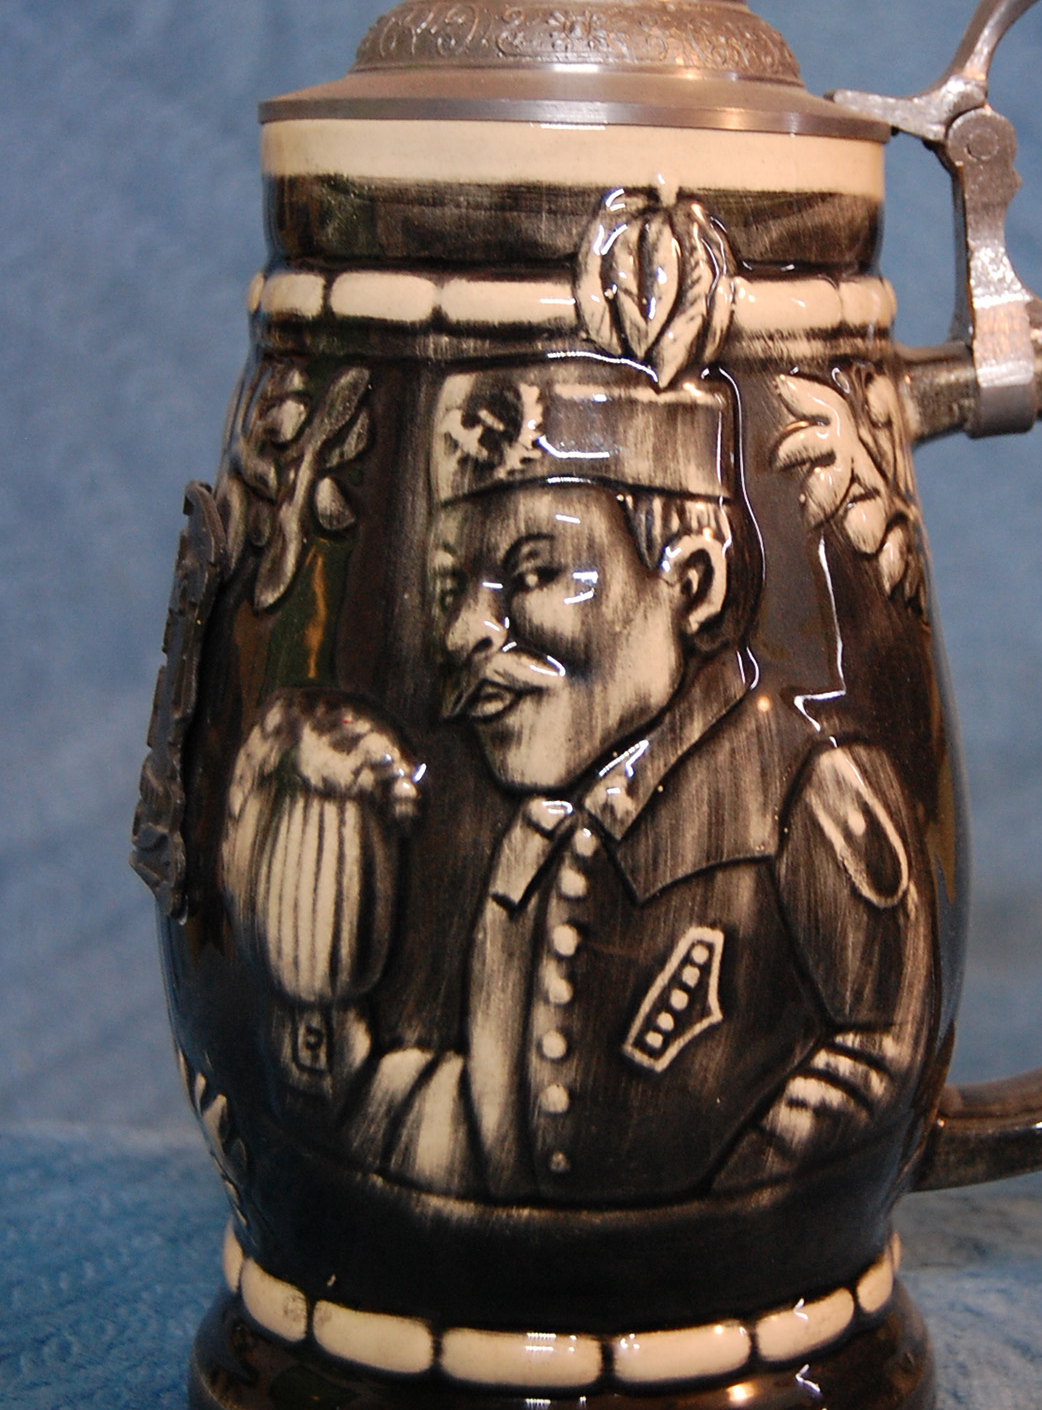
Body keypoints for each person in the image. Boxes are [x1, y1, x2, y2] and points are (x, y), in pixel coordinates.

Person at [227, 357, 940, 1207]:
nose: (462, 632)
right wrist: (321, 1031)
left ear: (693, 583)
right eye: (451, 587)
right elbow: (495, 1134)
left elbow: (878, 1046)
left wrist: (724, 1217)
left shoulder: (800, 794)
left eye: (533, 573)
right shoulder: (532, 852)